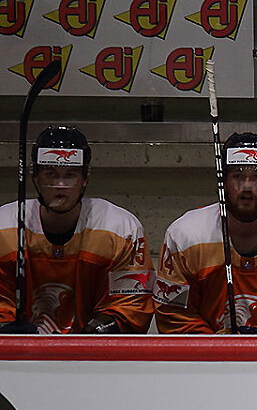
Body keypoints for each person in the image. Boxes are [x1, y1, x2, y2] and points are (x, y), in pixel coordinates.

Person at [155, 132, 257, 334]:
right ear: (223, 181)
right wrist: (215, 347)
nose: (246, 186)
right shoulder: (185, 235)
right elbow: (173, 313)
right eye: (237, 176)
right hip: (205, 362)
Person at [0, 126, 153, 334]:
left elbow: (133, 304)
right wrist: (7, 329)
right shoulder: (4, 227)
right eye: (50, 174)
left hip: (95, 360)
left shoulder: (120, 228)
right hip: (17, 359)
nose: (60, 185)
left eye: (70, 174)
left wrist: (95, 333)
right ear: (35, 177)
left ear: (85, 179)